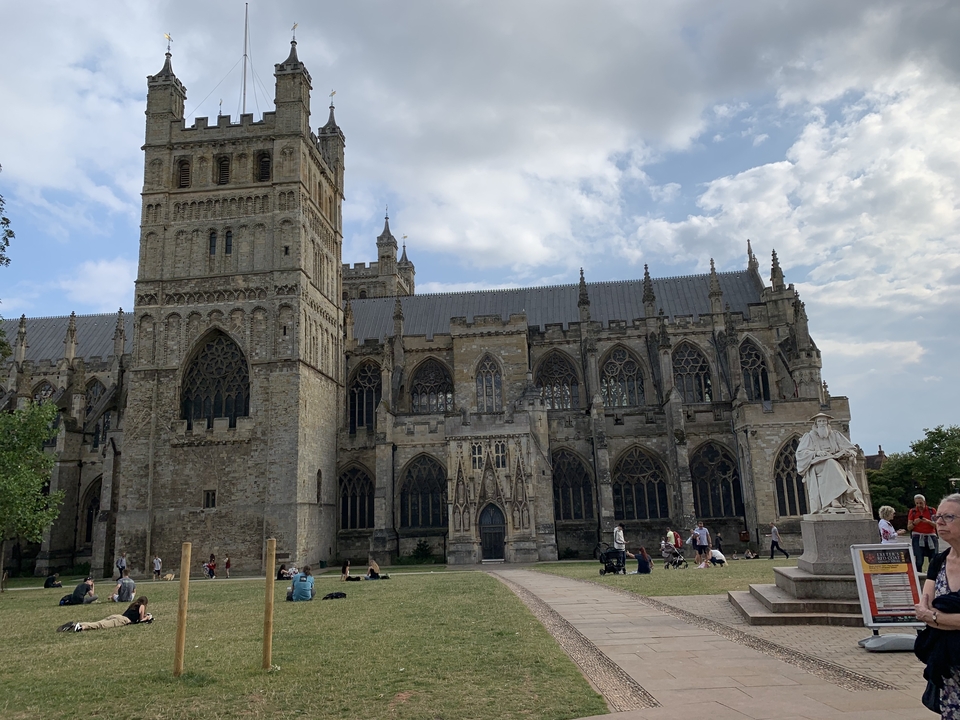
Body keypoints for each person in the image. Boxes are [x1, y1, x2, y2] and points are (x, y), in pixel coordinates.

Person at [914, 494, 960, 715]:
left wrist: (935, 618)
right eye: (938, 516)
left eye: (949, 517)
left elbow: (929, 614)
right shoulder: (939, 561)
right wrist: (936, 618)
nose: (939, 521)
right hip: (950, 668)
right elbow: (924, 609)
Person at [796, 413, 866, 513]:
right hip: (816, 466)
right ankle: (845, 489)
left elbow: (851, 448)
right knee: (830, 463)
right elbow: (800, 453)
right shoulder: (809, 437)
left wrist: (848, 453)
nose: (822, 423)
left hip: (836, 463)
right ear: (816, 424)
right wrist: (816, 453)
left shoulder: (835, 435)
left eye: (824, 421)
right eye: (819, 421)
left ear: (828, 422)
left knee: (832, 464)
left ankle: (834, 500)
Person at [58, 596, 152, 633]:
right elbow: (140, 620)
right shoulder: (142, 606)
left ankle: (77, 624)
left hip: (118, 616)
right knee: (100, 625)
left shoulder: (133, 604)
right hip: (123, 620)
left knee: (98, 622)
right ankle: (81, 627)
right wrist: (147, 617)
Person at [910, 494, 939, 573]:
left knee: (933, 559)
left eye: (921, 503)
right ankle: (918, 577)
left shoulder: (932, 511)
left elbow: (937, 525)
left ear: (924, 502)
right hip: (917, 536)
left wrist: (928, 521)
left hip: (931, 535)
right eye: (917, 503)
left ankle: (933, 576)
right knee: (919, 560)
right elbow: (909, 527)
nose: (919, 505)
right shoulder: (913, 511)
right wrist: (915, 523)